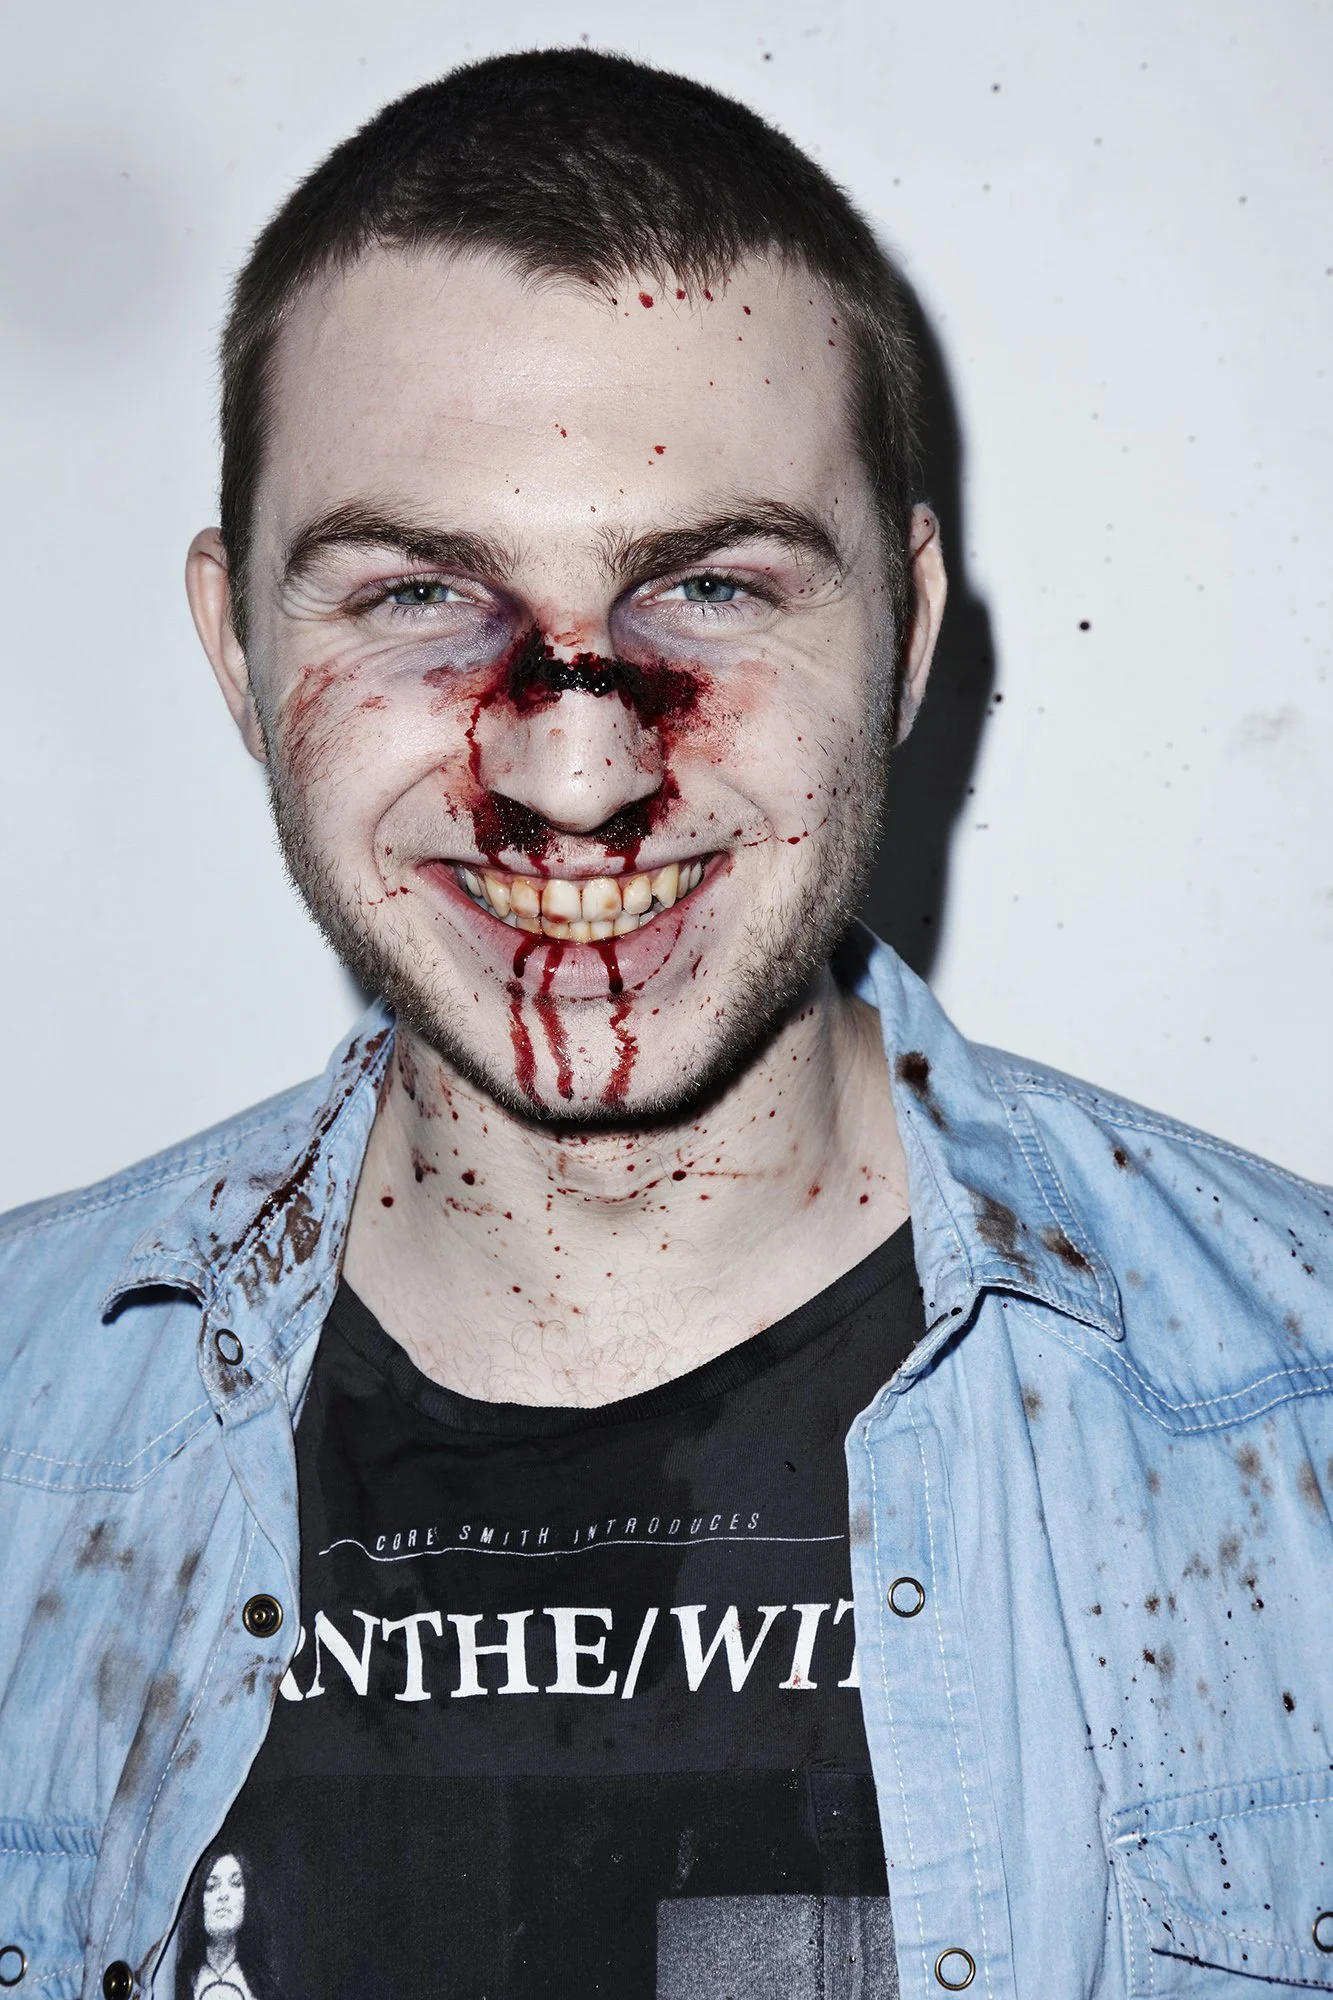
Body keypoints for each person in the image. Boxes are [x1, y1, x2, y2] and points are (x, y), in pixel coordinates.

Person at [1, 44, 1329, 2000]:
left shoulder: (1300, 1434)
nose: (572, 773)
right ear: (238, 647)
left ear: (906, 631)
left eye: (706, 585)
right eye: (416, 596)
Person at [173, 1851, 281, 2000]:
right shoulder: (177, 1982)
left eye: (235, 1883)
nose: (223, 1895)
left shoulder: (265, 1985)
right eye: (211, 1886)